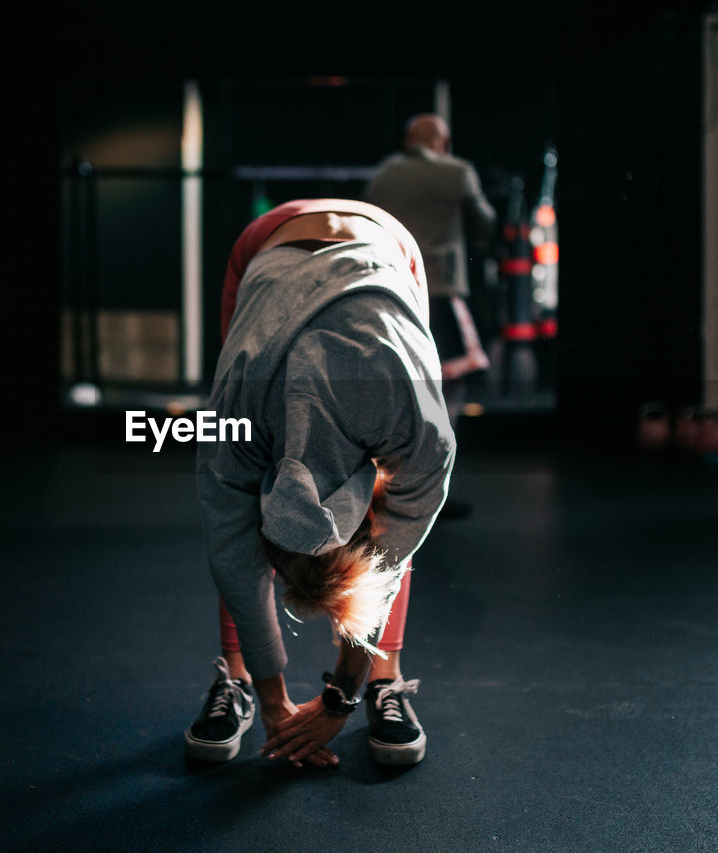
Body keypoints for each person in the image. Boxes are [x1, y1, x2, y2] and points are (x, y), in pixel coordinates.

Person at [185, 199, 456, 769]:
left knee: (390, 544)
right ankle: (234, 679)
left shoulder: (413, 423)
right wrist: (270, 696)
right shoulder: (235, 423)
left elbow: (385, 556)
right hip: (267, 247)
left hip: (383, 246)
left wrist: (342, 697)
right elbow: (233, 551)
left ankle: (386, 676)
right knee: (234, 515)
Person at [365, 114, 496, 518]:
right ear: (442, 142)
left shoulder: (383, 175)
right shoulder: (457, 172)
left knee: (396, 395)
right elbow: (486, 223)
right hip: (440, 291)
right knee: (448, 392)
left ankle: (389, 488)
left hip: (392, 294)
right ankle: (434, 487)